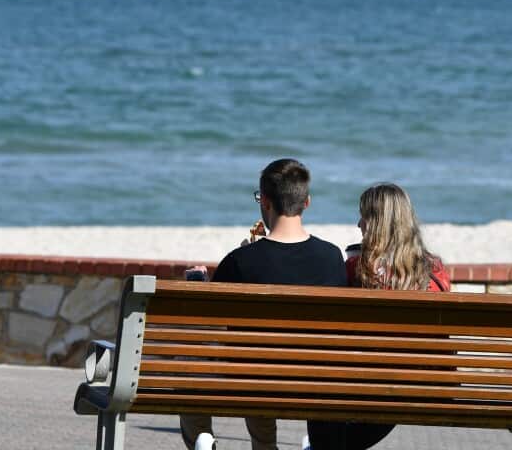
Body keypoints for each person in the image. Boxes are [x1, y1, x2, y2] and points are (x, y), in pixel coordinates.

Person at [180, 158, 346, 450]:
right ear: (306, 202)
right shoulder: (332, 258)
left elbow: (208, 321)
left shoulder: (240, 261)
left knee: (199, 371)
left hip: (253, 381)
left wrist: (198, 285)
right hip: (316, 384)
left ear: (265, 201)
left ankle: (204, 441)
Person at [312, 182, 451, 450]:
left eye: (363, 216)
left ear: (376, 224)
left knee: (321, 387)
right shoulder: (435, 273)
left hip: (364, 385)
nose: (358, 224)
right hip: (419, 387)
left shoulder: (356, 268)